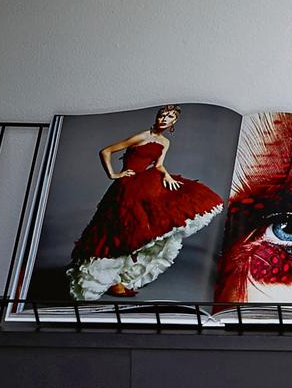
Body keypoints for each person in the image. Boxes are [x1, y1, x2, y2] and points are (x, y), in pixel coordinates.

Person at [67, 106, 225, 306]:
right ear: (157, 117)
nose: (164, 119)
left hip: (145, 183)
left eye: (170, 117)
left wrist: (166, 175)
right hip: (127, 186)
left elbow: (158, 165)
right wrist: (114, 174)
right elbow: (105, 151)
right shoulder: (141, 136)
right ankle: (110, 278)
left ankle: (122, 275)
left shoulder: (165, 142)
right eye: (162, 115)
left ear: (174, 122)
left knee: (147, 225)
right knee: (118, 230)